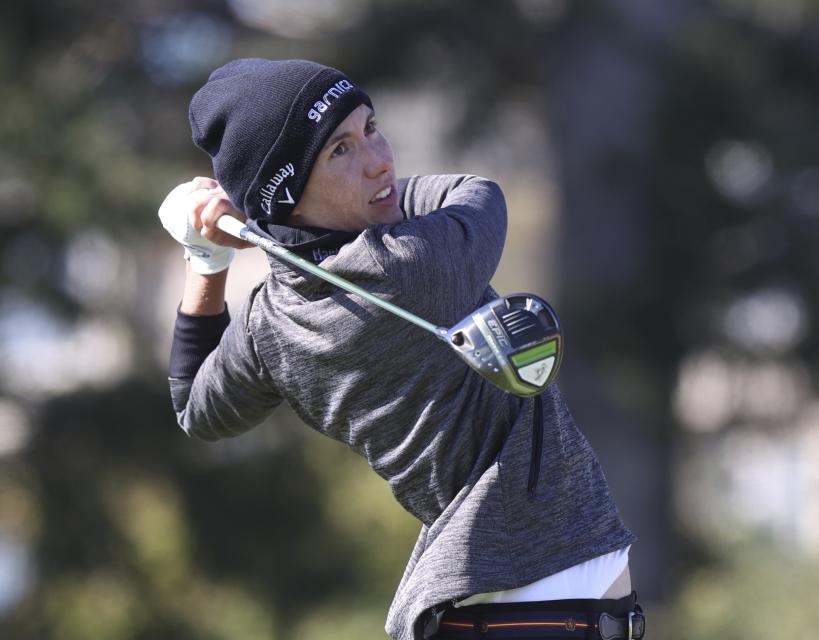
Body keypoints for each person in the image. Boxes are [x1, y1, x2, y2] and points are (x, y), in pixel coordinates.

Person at [159, 58, 642, 640]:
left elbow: (195, 407)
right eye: (340, 151)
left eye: (370, 128)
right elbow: (476, 193)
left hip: (499, 604)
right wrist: (368, 204)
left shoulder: (270, 328)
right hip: (533, 604)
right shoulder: (411, 267)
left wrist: (207, 257)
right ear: (283, 196)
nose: (380, 158)